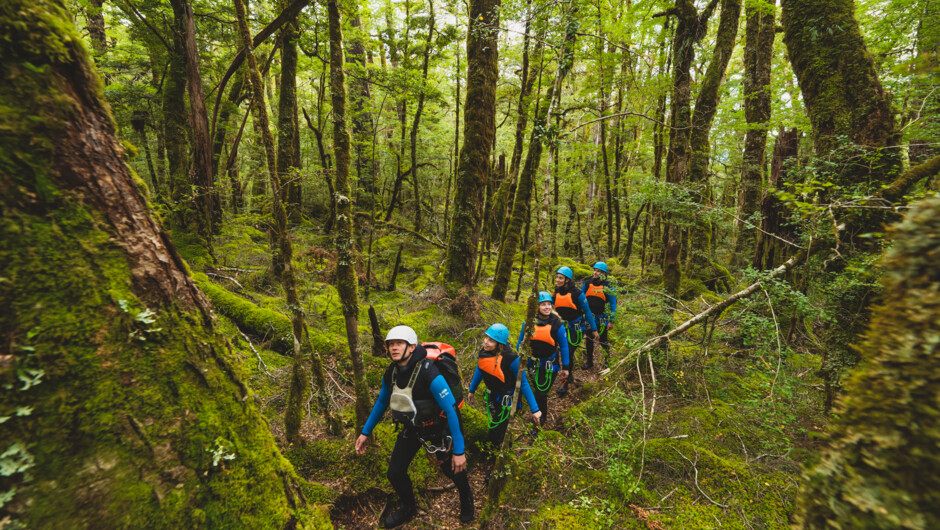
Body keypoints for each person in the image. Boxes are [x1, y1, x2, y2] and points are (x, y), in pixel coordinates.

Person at [355, 325, 474, 527]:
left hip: (439, 427)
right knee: (395, 472)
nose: (394, 348)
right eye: (391, 344)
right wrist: (365, 432)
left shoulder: (429, 372)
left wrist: (459, 450)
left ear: (411, 347)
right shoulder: (391, 372)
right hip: (413, 429)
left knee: (452, 468)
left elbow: (452, 410)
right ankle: (408, 507)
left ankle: (467, 498)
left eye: (399, 343)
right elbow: (382, 403)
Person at [467, 324, 541, 462]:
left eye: (491, 340)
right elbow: (480, 369)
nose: (486, 342)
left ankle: (502, 461)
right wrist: (472, 390)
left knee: (500, 431)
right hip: (493, 396)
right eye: (486, 338)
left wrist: (535, 409)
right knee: (496, 427)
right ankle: (496, 455)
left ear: (499, 344)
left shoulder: (512, 359)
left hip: (508, 400)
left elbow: (523, 383)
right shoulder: (484, 353)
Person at [516, 292, 570, 426]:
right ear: (537, 307)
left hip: (550, 365)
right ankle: (535, 412)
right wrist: (518, 360)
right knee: (535, 389)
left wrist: (566, 368)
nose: (547, 307)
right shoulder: (528, 323)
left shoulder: (557, 324)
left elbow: (564, 347)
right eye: (543, 304)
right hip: (532, 364)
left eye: (549, 304)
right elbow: (520, 343)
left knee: (541, 393)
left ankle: (541, 418)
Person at [552, 266, 599, 395]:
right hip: (561, 328)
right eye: (557, 277)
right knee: (559, 352)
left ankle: (564, 383)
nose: (557, 280)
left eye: (560, 278)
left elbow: (588, 312)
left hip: (576, 329)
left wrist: (594, 329)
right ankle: (569, 373)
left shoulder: (578, 294)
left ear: (567, 280)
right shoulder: (555, 293)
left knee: (567, 352)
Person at [581, 261, 617, 369]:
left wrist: (611, 320)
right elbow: (581, 299)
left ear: (604, 273)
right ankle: (589, 362)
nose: (595, 273)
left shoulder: (608, 286)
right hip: (589, 317)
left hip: (602, 318)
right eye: (595, 270)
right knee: (589, 340)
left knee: (603, 340)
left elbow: (613, 304)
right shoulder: (587, 283)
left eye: (598, 271)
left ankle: (607, 361)